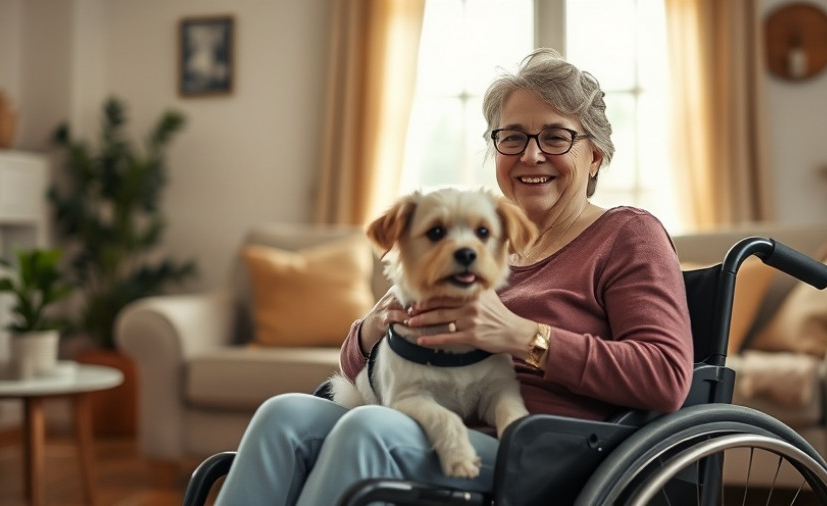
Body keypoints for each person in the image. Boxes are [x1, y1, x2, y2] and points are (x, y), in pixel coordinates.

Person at [214, 48, 693, 505]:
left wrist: (525, 337)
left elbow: (667, 377)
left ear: (596, 156)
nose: (531, 156)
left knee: (370, 431)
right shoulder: (484, 240)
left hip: (549, 451)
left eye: (556, 136)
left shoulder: (628, 235)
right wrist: (373, 327)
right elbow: (366, 369)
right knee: (283, 415)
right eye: (512, 137)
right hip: (432, 416)